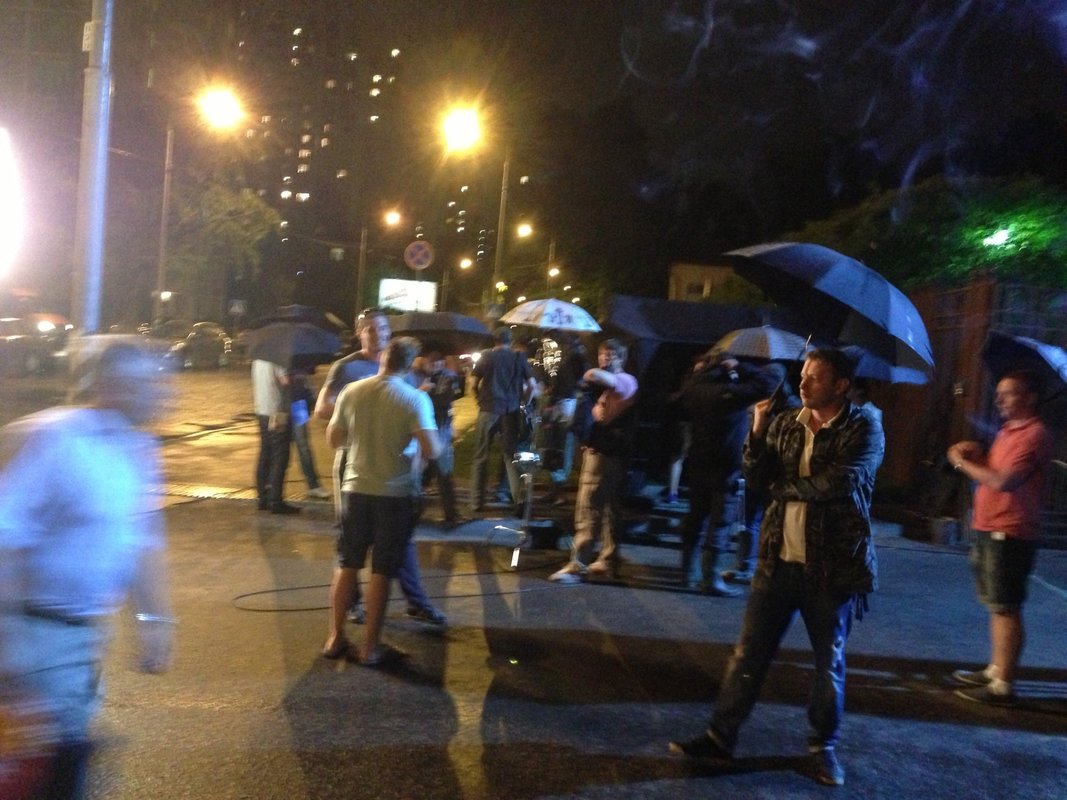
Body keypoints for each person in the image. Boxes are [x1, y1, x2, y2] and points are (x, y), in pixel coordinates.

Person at [669, 347, 884, 788]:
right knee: (747, 654)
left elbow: (840, 481)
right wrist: (758, 426)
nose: (802, 383)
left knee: (828, 663)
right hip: (777, 560)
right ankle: (720, 737)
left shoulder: (863, 425)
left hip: (831, 567)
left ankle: (822, 747)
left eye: (815, 377)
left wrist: (781, 487)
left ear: (841, 385)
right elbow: (754, 475)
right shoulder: (786, 422)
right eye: (803, 375)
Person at [0, 336, 175, 799]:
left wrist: (155, 619)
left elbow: (141, 538)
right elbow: (5, 538)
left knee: (61, 761)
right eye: (148, 385)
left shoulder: (140, 450)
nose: (163, 394)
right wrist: (10, 653)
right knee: (51, 769)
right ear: (113, 386)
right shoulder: (57, 439)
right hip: (36, 635)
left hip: (81, 638)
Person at [314, 308, 446, 625]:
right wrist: (361, 408)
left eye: (384, 328)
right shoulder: (347, 368)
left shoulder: (404, 368)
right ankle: (353, 605)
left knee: (400, 539)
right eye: (371, 329)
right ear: (360, 333)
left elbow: (412, 411)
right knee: (351, 543)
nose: (379, 334)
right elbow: (322, 409)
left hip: (399, 467)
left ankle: (416, 601)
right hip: (355, 463)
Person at [947, 370, 1054, 706]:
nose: (999, 398)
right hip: (990, 526)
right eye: (999, 392)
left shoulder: (1035, 434)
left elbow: (1004, 481)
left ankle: (1003, 685)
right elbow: (994, 468)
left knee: (1006, 606)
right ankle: (996, 669)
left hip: (1010, 530)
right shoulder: (1009, 431)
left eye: (1009, 393)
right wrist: (976, 453)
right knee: (996, 604)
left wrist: (960, 463)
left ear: (1030, 397)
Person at [674, 352, 779, 595]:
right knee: (720, 521)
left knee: (695, 517)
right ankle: (711, 579)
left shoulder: (696, 389)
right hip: (727, 465)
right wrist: (740, 367)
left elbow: (688, 385)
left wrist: (710, 368)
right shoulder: (732, 394)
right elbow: (770, 384)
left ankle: (686, 573)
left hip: (698, 461)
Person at [549, 338, 639, 582]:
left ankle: (577, 565)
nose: (605, 359)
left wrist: (589, 373)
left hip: (603, 456)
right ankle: (606, 561)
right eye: (602, 355)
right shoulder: (606, 387)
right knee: (609, 510)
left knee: (588, 508)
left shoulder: (626, 380)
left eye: (611, 355)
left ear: (622, 358)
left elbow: (599, 377)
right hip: (607, 453)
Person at [469, 327, 537, 515]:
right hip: (511, 411)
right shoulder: (519, 357)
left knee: (481, 456)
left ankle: (476, 501)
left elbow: (473, 384)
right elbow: (532, 385)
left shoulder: (486, 356)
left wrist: (479, 400)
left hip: (488, 409)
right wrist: (524, 402)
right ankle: (518, 500)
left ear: (495, 340)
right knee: (509, 456)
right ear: (510, 341)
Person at [416, 350, 466, 528]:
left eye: (437, 362)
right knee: (420, 474)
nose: (433, 366)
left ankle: (451, 514)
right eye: (430, 362)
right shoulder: (419, 376)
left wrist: (423, 393)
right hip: (422, 431)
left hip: (440, 431)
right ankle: (414, 512)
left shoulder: (448, 377)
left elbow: (445, 400)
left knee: (443, 473)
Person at [540, 333, 589, 506]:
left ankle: (559, 491)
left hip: (566, 405)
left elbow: (580, 384)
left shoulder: (575, 357)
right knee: (554, 446)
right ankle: (555, 489)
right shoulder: (565, 357)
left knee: (562, 447)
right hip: (560, 403)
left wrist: (565, 393)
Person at [252, 356, 300, 514]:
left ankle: (262, 497)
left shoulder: (258, 360)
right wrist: (295, 377)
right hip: (277, 413)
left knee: (265, 453)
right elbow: (286, 381)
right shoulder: (279, 359)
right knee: (280, 456)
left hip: (262, 411)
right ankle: (276, 500)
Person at [290, 366, 330, 500]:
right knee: (281, 449)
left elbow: (306, 379)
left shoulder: (299, 363)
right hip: (285, 405)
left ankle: (313, 486)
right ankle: (271, 485)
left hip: (299, 405)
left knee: (304, 447)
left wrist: (310, 400)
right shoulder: (280, 360)